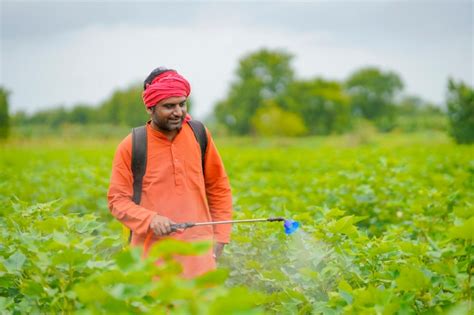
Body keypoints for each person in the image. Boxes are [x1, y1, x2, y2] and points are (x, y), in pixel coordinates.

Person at [107, 67, 233, 278]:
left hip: (198, 255)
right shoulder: (132, 145)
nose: (178, 112)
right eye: (168, 106)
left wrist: (220, 237)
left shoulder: (199, 134)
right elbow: (117, 201)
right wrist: (150, 219)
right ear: (150, 108)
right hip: (151, 259)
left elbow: (218, 187)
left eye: (182, 104)